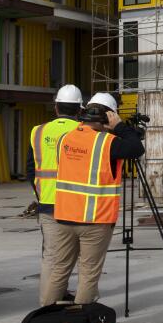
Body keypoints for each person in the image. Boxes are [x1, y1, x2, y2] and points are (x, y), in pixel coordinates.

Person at [43, 92, 145, 306]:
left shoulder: (65, 139)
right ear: (108, 117)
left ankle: (46, 316)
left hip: (63, 217)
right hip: (95, 220)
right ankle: (81, 322)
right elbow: (136, 148)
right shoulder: (108, 142)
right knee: (88, 273)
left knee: (59, 270)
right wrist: (120, 128)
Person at [27, 84, 84, 304]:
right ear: (79, 109)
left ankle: (48, 301)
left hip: (48, 203)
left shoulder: (37, 131)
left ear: (56, 107)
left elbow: (31, 169)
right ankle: (64, 296)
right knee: (75, 255)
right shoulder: (83, 132)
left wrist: (41, 193)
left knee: (51, 257)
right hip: (77, 203)